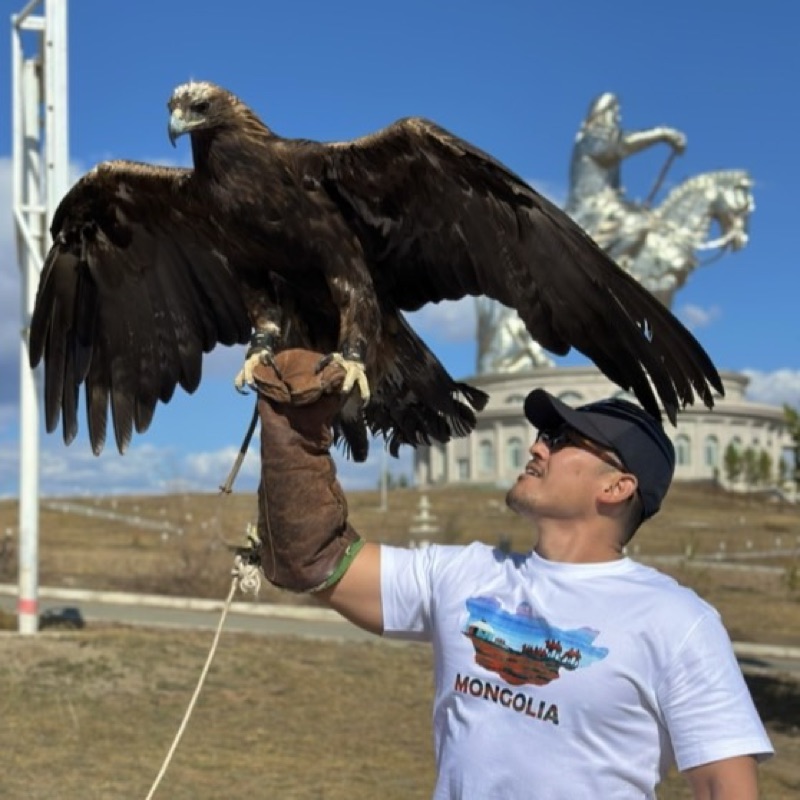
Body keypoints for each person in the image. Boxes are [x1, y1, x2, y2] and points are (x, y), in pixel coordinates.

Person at [252, 349, 773, 799]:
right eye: (544, 434)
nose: (537, 446)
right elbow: (315, 560)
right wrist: (294, 432)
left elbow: (723, 786)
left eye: (564, 439)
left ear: (617, 487)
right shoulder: (463, 574)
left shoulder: (678, 622)